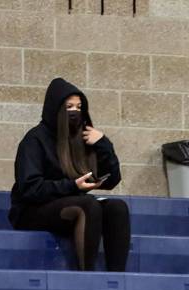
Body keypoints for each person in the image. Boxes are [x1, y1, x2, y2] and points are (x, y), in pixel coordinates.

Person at [9, 77, 130, 272]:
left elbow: (112, 180)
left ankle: (116, 279)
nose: (75, 112)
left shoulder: (79, 138)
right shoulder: (34, 139)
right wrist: (72, 186)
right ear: (55, 108)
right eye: (69, 106)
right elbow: (30, 189)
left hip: (69, 206)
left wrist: (104, 144)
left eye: (79, 107)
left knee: (117, 208)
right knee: (88, 205)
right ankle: (86, 278)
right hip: (32, 211)